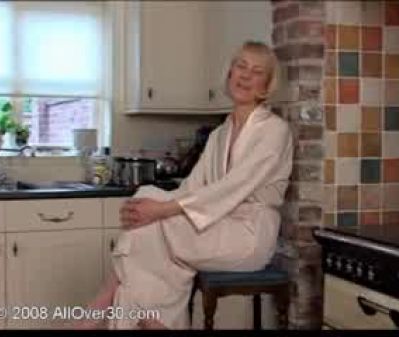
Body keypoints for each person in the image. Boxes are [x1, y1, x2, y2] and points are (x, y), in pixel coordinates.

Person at [74, 40, 293, 330]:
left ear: (266, 85)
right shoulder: (219, 135)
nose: (245, 75)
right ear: (229, 73)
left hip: (248, 236)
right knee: (148, 206)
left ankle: (102, 306)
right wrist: (151, 207)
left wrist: (161, 211)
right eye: (241, 65)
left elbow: (233, 187)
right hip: (216, 226)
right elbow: (192, 187)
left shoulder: (274, 130)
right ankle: (151, 321)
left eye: (256, 71)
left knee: (151, 224)